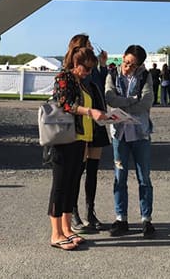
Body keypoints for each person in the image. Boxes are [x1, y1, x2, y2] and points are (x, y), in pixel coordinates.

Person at [47, 46, 108, 250]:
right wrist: (90, 111)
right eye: (87, 68)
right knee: (60, 185)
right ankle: (56, 233)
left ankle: (66, 228)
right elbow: (65, 104)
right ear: (76, 64)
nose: (89, 72)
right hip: (65, 139)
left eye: (92, 69)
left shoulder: (81, 82)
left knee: (72, 183)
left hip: (81, 138)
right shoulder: (63, 77)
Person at [105, 44, 155, 238]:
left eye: (132, 65)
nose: (127, 67)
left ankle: (146, 219)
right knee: (120, 177)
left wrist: (125, 104)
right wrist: (131, 100)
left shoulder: (145, 77)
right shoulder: (112, 74)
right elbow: (110, 98)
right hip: (119, 134)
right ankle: (121, 218)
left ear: (140, 65)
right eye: (126, 62)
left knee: (144, 177)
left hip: (140, 133)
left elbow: (147, 101)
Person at [65, 34, 110, 233]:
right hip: (81, 124)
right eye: (89, 45)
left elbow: (101, 84)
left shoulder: (92, 69)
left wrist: (103, 65)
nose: (92, 47)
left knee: (92, 170)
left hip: (97, 123)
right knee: (77, 170)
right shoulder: (74, 71)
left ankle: (90, 212)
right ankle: (73, 212)